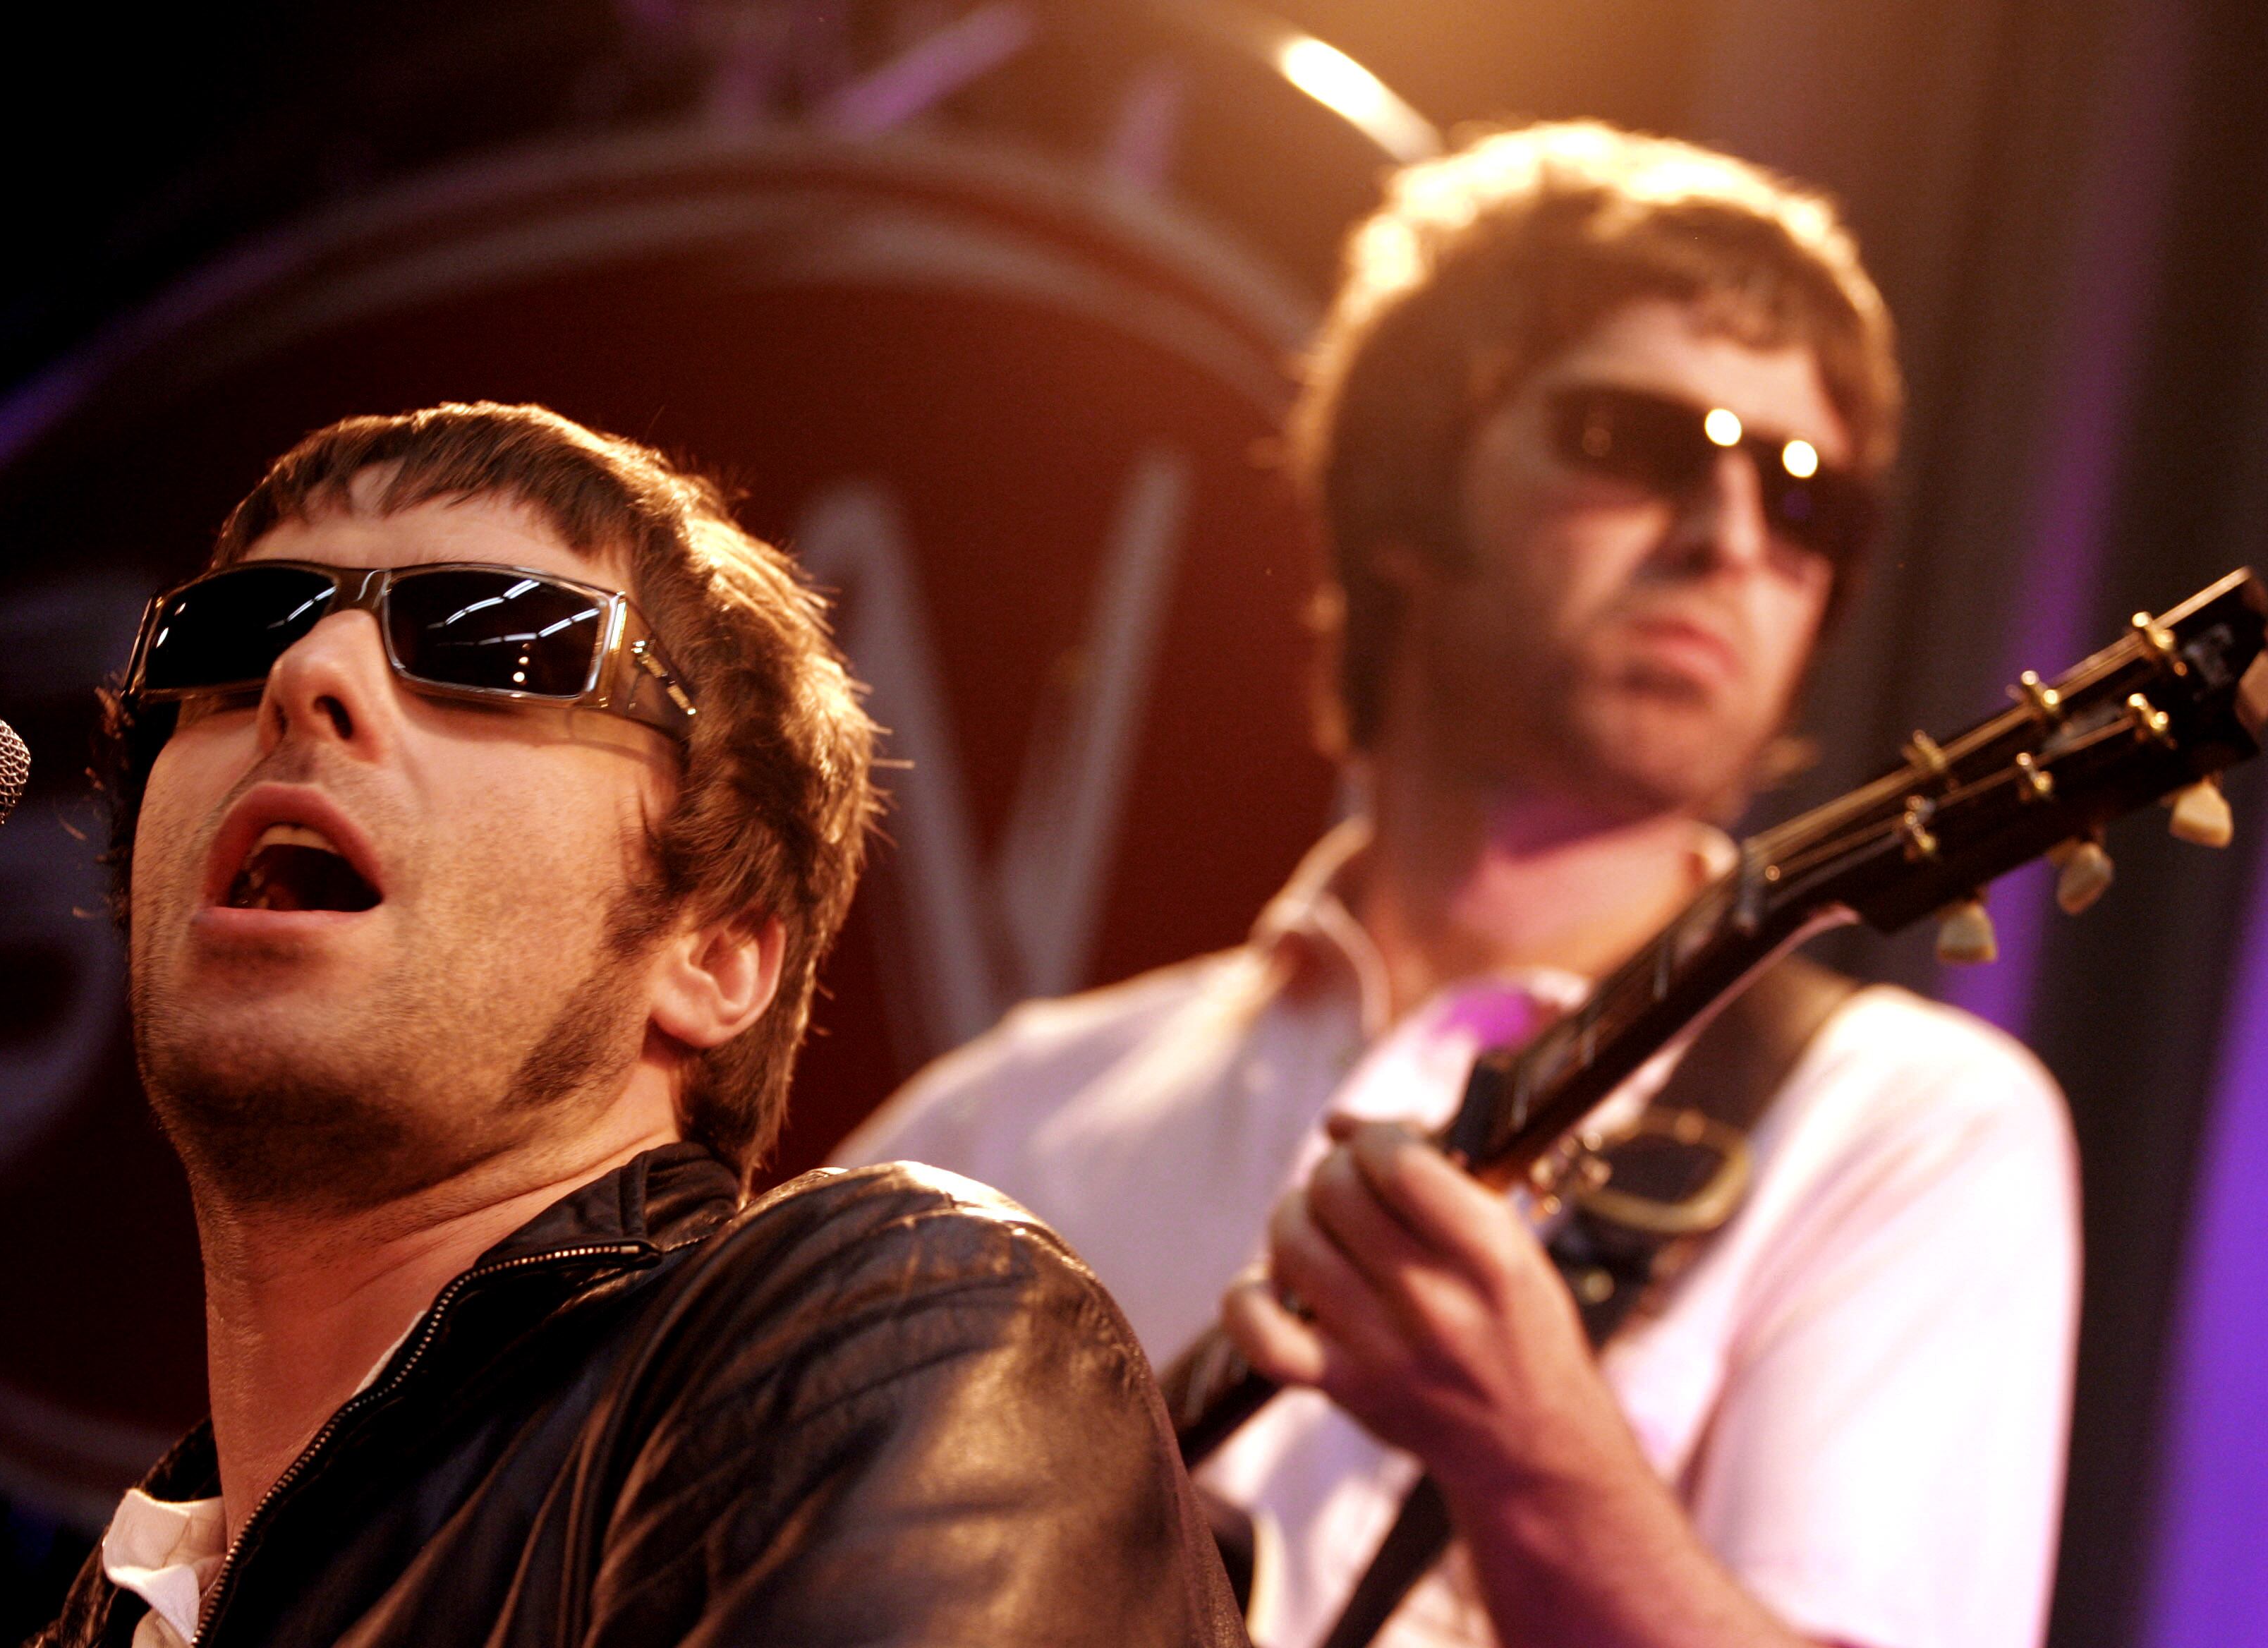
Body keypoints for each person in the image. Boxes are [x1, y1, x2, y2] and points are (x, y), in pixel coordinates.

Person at [837, 123, 2078, 1648]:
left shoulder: (1902, 1125)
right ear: (1414, 489)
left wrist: (1538, 1458)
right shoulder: (1014, 1120)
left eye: (1807, 500)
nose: (1732, 537)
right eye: (1639, 442)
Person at [33, 403, 1245, 1647]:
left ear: (712, 951)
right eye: (236, 637)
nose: (305, 678)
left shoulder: (903, 1335)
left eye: (493, 642)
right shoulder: (117, 1614)